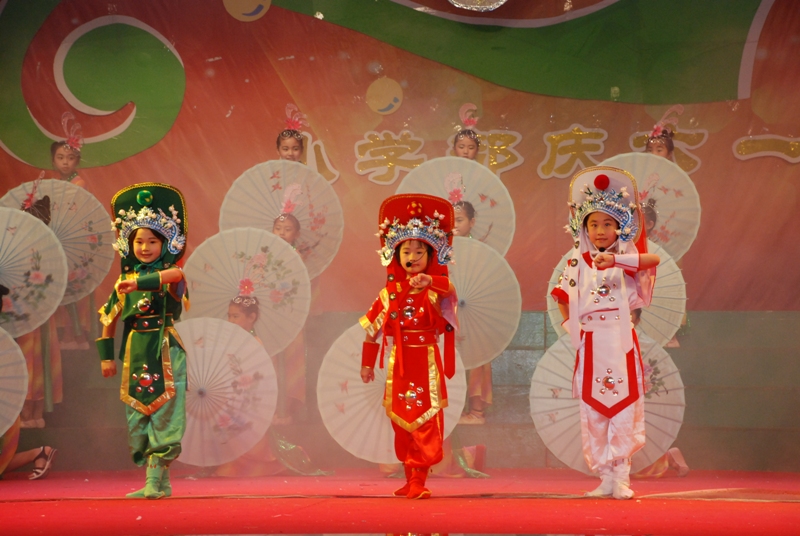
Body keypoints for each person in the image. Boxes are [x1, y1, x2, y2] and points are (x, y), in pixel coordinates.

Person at [551, 167, 660, 500]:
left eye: (607, 224)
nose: (600, 231)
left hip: (620, 339)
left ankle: (622, 477)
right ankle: (605, 477)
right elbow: (562, 298)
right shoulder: (576, 261)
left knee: (624, 407)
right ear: (584, 227)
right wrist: (574, 330)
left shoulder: (627, 256)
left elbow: (653, 259)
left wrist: (615, 262)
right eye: (594, 224)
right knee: (594, 410)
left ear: (619, 227)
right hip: (592, 341)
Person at [360, 194, 458, 500]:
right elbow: (371, 331)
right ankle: (408, 476)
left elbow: (450, 290)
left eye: (419, 252)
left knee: (425, 421)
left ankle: (419, 478)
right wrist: (367, 364)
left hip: (425, 361)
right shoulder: (388, 293)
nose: (412, 257)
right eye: (406, 251)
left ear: (430, 257)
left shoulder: (434, 290)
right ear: (396, 255)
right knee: (401, 422)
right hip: (399, 365)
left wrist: (429, 280)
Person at [97, 183, 189, 499]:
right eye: (139, 241)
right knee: (139, 416)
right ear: (129, 244)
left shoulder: (169, 276)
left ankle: (153, 482)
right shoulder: (123, 281)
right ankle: (161, 483)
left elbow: (176, 277)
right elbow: (108, 319)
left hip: (165, 349)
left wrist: (140, 283)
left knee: (165, 413)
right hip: (136, 351)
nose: (145, 247)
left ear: (165, 244)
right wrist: (106, 357)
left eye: (152, 241)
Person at [211, 292, 328, 477]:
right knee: (228, 431)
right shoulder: (230, 341)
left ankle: (255, 465)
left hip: (248, 396)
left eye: (236, 316)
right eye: (229, 316)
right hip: (231, 394)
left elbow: (259, 374)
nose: (231, 320)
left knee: (245, 433)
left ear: (251, 318)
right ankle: (233, 464)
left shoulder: (255, 342)